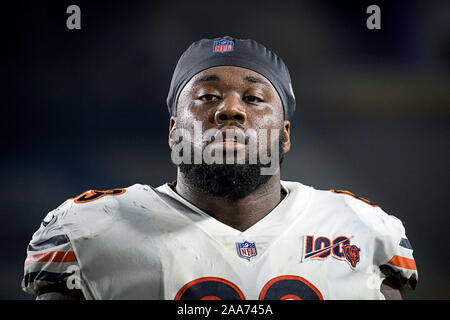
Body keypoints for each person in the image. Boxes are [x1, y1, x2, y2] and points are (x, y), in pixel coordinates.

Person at [22, 36, 418, 300]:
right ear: (175, 131)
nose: (230, 109)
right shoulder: (91, 230)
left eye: (254, 98)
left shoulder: (359, 229)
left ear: (284, 135)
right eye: (208, 95)